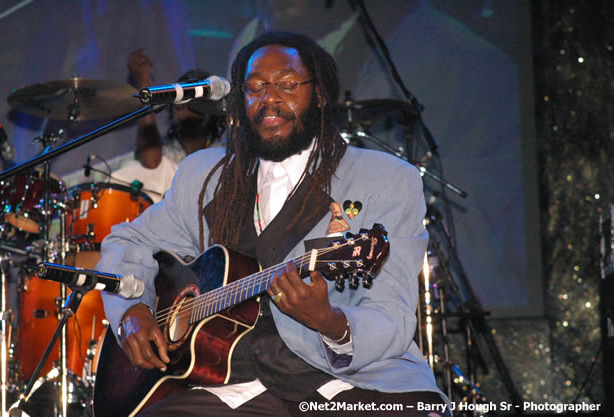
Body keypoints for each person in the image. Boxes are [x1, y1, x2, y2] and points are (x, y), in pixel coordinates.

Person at [98, 32, 450, 416]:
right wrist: (133, 312)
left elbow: (393, 314)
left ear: (320, 94)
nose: (269, 99)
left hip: (349, 384)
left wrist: (333, 324)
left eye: (287, 84)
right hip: (227, 383)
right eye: (255, 88)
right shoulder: (207, 174)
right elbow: (128, 241)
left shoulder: (386, 178)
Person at [110, 49, 225, 202]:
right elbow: (151, 165)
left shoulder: (223, 155)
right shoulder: (163, 154)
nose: (181, 106)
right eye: (179, 100)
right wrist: (144, 84)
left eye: (190, 100)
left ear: (210, 110)